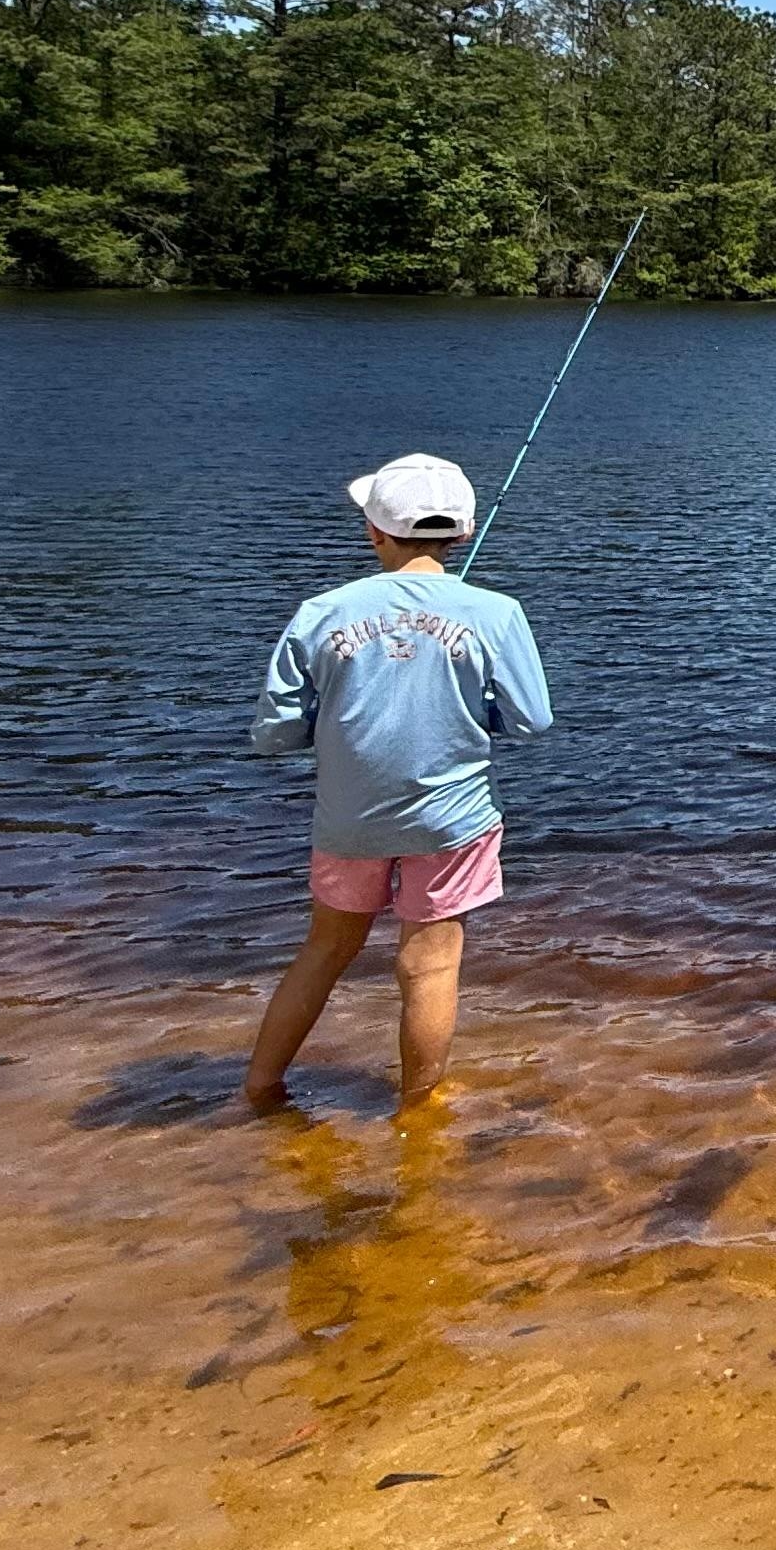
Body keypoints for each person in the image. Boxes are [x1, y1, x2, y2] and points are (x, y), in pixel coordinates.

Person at [242, 453, 554, 1113]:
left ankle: (260, 1087)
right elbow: (531, 720)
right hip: (452, 821)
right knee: (432, 962)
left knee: (325, 949)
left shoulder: (320, 611)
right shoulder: (496, 612)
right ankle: (418, 1110)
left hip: (348, 822)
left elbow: (274, 733)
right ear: (461, 534)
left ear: (374, 532)